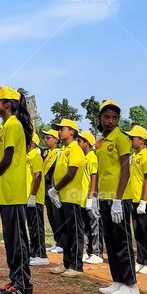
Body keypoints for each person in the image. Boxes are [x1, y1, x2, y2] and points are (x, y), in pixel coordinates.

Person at [0, 86, 34, 294]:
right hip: (8, 190)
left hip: (14, 191)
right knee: (10, 239)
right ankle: (15, 280)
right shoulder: (7, 126)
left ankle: (24, 286)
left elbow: (7, 158)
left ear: (8, 104)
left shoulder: (14, 125)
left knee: (17, 240)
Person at [94, 100, 139, 294]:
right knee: (110, 241)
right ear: (100, 119)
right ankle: (118, 280)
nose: (110, 121)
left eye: (114, 117)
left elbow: (124, 169)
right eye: (106, 117)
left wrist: (119, 200)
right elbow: (101, 170)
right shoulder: (101, 141)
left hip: (118, 197)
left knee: (122, 241)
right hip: (105, 196)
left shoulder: (121, 139)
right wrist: (96, 197)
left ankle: (131, 284)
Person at [48, 118, 86, 277]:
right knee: (65, 231)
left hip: (72, 196)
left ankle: (76, 266)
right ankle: (67, 262)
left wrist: (55, 188)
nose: (59, 131)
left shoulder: (75, 149)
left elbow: (71, 173)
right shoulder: (64, 149)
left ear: (72, 131)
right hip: (62, 196)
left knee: (74, 231)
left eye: (62, 128)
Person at [125, 126, 147, 275]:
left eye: (133, 138)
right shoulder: (136, 157)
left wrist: (144, 200)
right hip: (135, 198)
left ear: (142, 140)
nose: (131, 140)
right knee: (138, 232)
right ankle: (141, 260)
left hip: (144, 200)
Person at [26, 130, 49, 267]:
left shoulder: (35, 156)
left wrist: (33, 195)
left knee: (37, 226)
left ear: (32, 143)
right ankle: (34, 251)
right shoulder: (28, 156)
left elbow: (38, 175)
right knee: (31, 226)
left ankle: (41, 253)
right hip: (28, 197)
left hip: (35, 198)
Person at [79, 131, 103, 265]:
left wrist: (91, 196)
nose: (78, 143)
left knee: (95, 224)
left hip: (90, 197)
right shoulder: (84, 158)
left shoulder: (92, 157)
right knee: (85, 226)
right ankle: (88, 251)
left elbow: (94, 176)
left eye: (80, 141)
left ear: (87, 143)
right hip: (82, 197)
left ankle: (97, 252)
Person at [41, 128, 64, 253]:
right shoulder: (48, 153)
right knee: (51, 217)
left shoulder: (58, 153)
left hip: (53, 190)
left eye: (48, 137)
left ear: (56, 140)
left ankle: (62, 242)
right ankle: (57, 240)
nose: (46, 139)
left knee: (58, 217)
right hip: (46, 190)